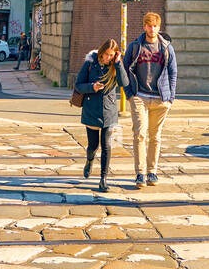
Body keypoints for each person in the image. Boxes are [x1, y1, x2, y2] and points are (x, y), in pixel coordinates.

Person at [122, 12, 177, 190]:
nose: (152, 29)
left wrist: (171, 98)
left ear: (159, 27)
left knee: (155, 137)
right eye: (149, 25)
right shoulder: (136, 46)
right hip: (140, 96)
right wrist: (129, 93)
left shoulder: (166, 47)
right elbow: (124, 69)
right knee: (140, 133)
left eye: (155, 26)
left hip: (160, 99)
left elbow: (173, 72)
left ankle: (152, 171)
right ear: (144, 27)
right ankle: (140, 173)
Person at [74, 38, 132, 194]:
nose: (109, 58)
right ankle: (89, 160)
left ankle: (103, 179)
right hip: (91, 109)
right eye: (106, 54)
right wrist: (92, 87)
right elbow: (78, 85)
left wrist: (119, 63)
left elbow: (124, 83)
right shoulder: (90, 63)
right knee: (93, 145)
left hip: (109, 111)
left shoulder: (115, 65)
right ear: (101, 52)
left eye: (112, 55)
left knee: (106, 146)